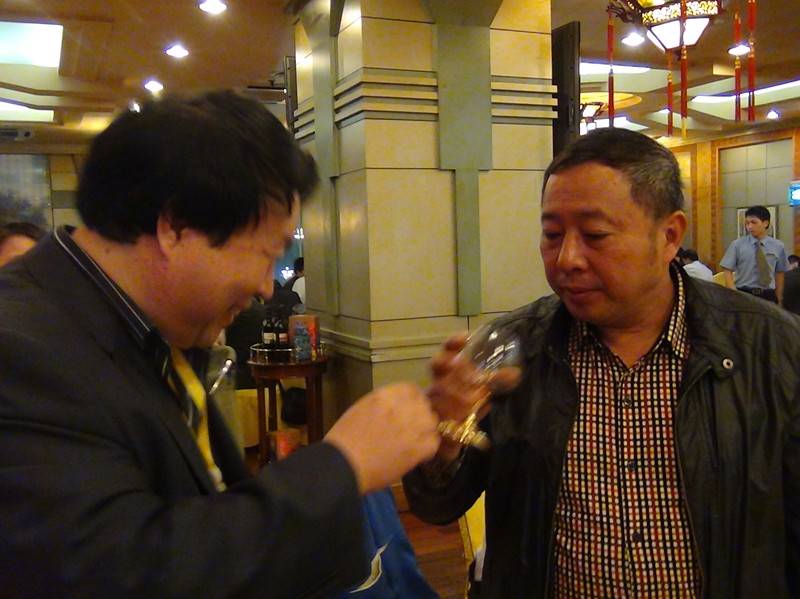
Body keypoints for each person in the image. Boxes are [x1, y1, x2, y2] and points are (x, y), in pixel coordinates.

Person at [0, 90, 441, 598]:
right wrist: (343, 466)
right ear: (176, 226)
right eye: (267, 252)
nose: (267, 288)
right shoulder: (20, 349)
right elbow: (120, 573)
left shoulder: (145, 328)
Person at [404, 128, 800, 598]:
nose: (567, 258)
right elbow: (436, 505)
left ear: (670, 235)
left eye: (595, 235)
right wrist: (444, 436)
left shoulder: (771, 346)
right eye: (552, 234)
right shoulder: (513, 349)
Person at [720, 205, 789, 304]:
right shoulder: (737, 245)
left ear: (765, 223)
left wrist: (779, 298)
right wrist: (733, 292)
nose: (750, 227)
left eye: (754, 222)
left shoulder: (778, 246)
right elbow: (727, 270)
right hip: (743, 293)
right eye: (747, 223)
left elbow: (780, 273)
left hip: (768, 294)